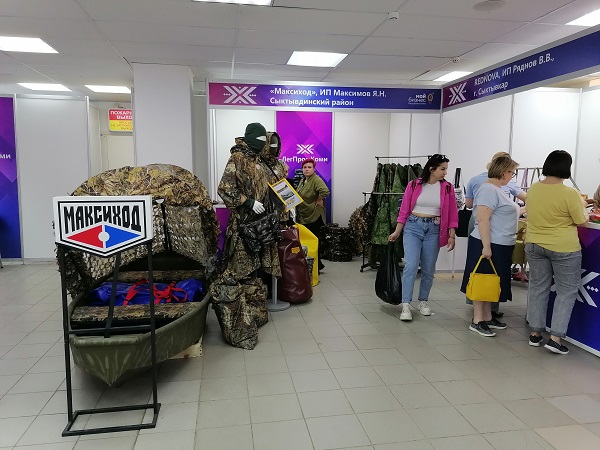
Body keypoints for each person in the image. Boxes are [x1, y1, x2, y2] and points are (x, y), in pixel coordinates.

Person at [525, 150, 587, 355]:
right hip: (563, 248)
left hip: (534, 243)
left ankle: (535, 333)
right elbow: (581, 220)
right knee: (566, 291)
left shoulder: (534, 188)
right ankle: (555, 338)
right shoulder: (569, 193)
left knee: (538, 287)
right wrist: (582, 207)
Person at [389, 154, 458, 321]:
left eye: (446, 169)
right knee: (411, 266)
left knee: (428, 269)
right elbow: (404, 210)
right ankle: (406, 304)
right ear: (432, 169)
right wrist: (397, 231)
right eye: (442, 169)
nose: (445, 172)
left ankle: (423, 301)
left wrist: (452, 235)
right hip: (413, 227)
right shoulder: (414, 185)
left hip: (434, 229)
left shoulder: (447, 188)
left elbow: (452, 213)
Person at [218, 123, 288, 279]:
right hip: (244, 223)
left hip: (262, 222)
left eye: (264, 139)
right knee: (243, 265)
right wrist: (248, 202)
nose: (262, 142)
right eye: (259, 138)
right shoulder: (237, 158)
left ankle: (258, 290)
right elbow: (225, 188)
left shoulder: (259, 160)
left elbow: (267, 187)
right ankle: (244, 292)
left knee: (261, 263)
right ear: (249, 137)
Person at [460, 155, 520, 337]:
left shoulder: (497, 189)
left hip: (500, 242)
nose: (512, 176)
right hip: (488, 242)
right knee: (482, 280)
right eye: (512, 173)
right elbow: (483, 219)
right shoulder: (488, 189)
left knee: (491, 281)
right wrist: (486, 246)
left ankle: (487, 316)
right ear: (504, 172)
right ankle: (477, 320)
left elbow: (502, 212)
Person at [296, 158, 330, 272]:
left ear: (314, 169)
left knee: (313, 242)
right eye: (305, 167)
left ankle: (316, 268)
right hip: (304, 214)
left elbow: (325, 191)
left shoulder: (316, 179)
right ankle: (315, 265)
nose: (307, 169)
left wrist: (319, 199)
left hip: (314, 216)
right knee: (307, 242)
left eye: (309, 167)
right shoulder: (303, 180)